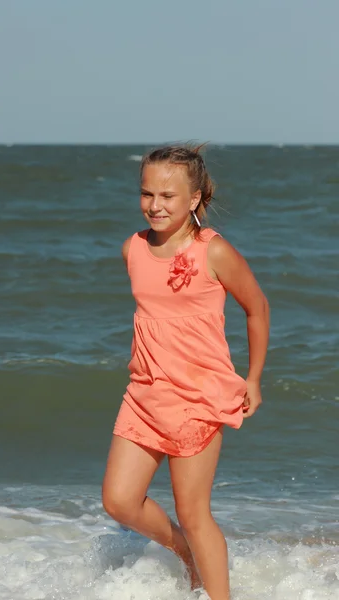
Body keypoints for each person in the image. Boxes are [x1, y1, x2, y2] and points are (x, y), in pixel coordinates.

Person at [102, 144, 269, 599]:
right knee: (118, 500)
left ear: (194, 199)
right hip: (145, 391)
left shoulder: (212, 251)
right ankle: (183, 553)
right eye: (146, 193)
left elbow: (256, 308)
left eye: (168, 196)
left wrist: (252, 377)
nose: (155, 205)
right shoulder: (132, 249)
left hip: (199, 395)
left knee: (195, 513)